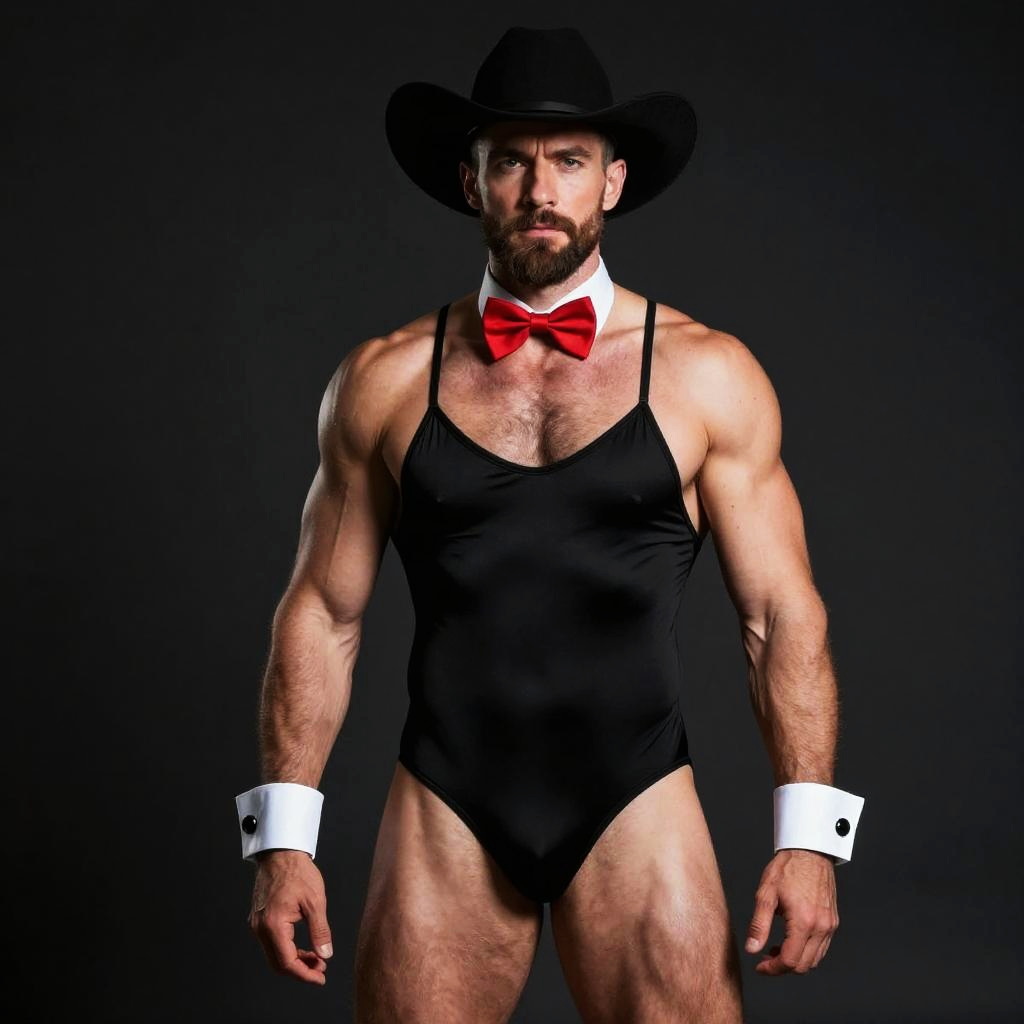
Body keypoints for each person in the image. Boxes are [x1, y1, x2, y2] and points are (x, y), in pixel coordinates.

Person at [234, 26, 865, 1023]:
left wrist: (810, 838)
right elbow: (321, 613)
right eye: (510, 163)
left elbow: (779, 616)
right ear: (470, 182)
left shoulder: (707, 373)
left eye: (568, 161)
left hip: (638, 801)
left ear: (612, 181)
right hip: (444, 802)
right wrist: (281, 839)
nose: (540, 191)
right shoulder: (384, 379)